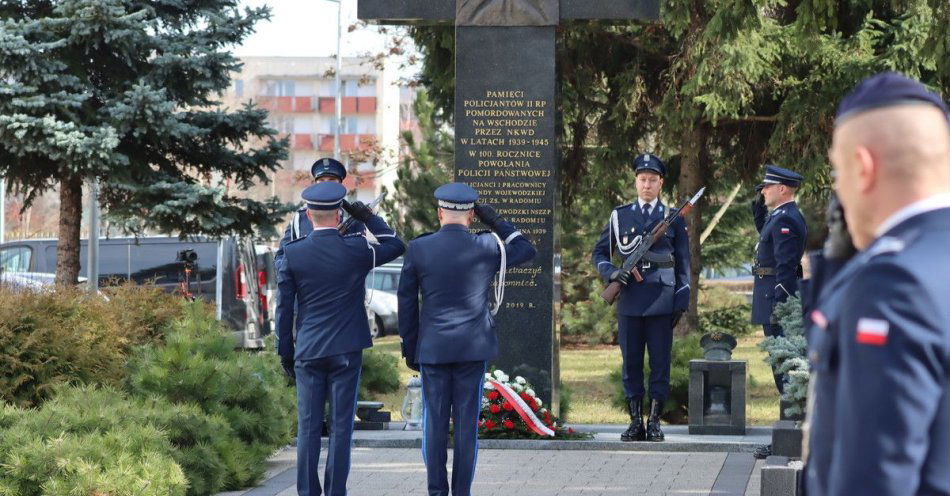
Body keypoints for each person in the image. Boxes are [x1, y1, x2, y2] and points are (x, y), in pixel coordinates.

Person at [804, 72, 950, 496]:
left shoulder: (892, 283)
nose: (837, 187)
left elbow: (875, 477)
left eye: (837, 170)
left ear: (863, 168)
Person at [397, 182, 536, 496]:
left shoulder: (420, 248)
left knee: (433, 427)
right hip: (473, 348)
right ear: (472, 215)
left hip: (433, 348)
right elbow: (526, 249)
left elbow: (406, 303)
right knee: (465, 428)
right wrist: (497, 221)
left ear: (439, 214)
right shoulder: (487, 245)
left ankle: (436, 492)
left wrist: (410, 346)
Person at [275, 181, 405, 496]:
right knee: (341, 427)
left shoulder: (293, 253)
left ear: (308, 213)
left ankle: (307, 492)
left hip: (309, 348)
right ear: (338, 214)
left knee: (307, 428)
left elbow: (283, 311)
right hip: (347, 348)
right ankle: (336, 492)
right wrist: (366, 216)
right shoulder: (357, 248)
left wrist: (286, 353)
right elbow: (395, 244)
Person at [591, 153, 690, 442]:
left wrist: (681, 299)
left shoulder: (672, 217)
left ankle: (655, 421)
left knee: (660, 363)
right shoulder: (619, 216)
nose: (647, 185)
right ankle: (635, 421)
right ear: (636, 182)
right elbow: (599, 253)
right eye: (642, 179)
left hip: (662, 298)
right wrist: (611, 273)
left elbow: (684, 261)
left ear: (661, 183)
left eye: (652, 180)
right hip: (630, 299)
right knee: (631, 362)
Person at [750, 164, 807, 394]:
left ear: (782, 189)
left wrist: (779, 300)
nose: (763, 191)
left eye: (767, 187)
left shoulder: (786, 219)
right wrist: (757, 205)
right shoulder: (779, 216)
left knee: (783, 358)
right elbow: (765, 233)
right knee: (778, 357)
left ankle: (791, 412)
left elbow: (785, 265)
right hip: (770, 295)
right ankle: (789, 411)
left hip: (776, 298)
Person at [274, 157, 365, 269]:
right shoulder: (300, 218)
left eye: (332, 180)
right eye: (321, 180)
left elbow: (362, 257)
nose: (326, 185)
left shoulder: (352, 217)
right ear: (315, 184)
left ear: (340, 185)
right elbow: (281, 257)